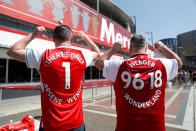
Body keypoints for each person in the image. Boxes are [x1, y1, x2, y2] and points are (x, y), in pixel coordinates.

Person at [7, 25, 100, 131]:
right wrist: (86, 38)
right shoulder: (83, 55)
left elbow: (12, 51)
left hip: (51, 124)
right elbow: (97, 53)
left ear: (53, 39)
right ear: (72, 39)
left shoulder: (43, 55)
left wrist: (33, 35)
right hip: (76, 123)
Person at [95, 35, 183, 131]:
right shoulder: (161, 64)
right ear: (146, 48)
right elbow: (179, 62)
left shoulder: (120, 65)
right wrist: (162, 48)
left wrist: (114, 49)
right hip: (156, 127)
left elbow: (98, 63)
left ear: (131, 48)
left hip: (126, 127)